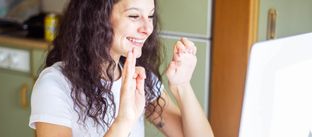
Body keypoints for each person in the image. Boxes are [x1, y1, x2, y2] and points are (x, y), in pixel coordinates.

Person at [28, 0, 214, 136]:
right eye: (134, 16)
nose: (147, 28)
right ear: (96, 18)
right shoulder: (55, 85)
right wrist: (124, 120)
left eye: (150, 16)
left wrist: (182, 86)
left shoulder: (139, 77)